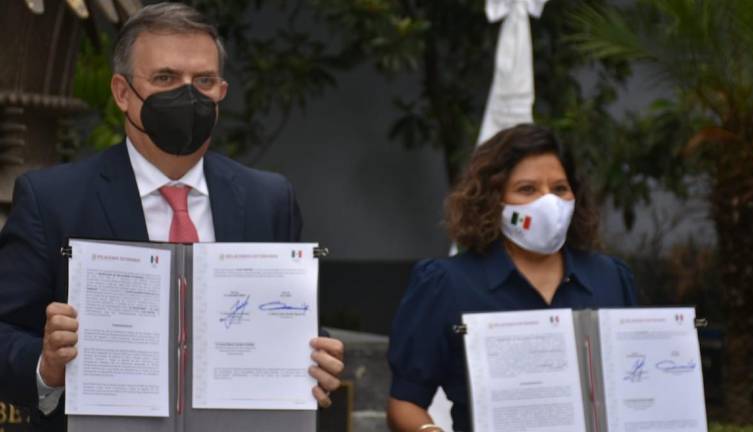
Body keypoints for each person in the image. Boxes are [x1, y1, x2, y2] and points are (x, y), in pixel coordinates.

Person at [0, 3, 343, 430]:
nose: (189, 95)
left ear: (221, 91)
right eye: (165, 78)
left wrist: (318, 355)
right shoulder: (53, 199)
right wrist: (47, 365)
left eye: (203, 80)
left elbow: (287, 319)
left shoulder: (267, 198)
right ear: (123, 92)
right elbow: (5, 332)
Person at [386, 124, 637, 432]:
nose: (549, 203)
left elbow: (636, 387)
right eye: (527, 189)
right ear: (494, 199)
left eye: (560, 189)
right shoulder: (446, 284)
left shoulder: (611, 279)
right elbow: (405, 402)